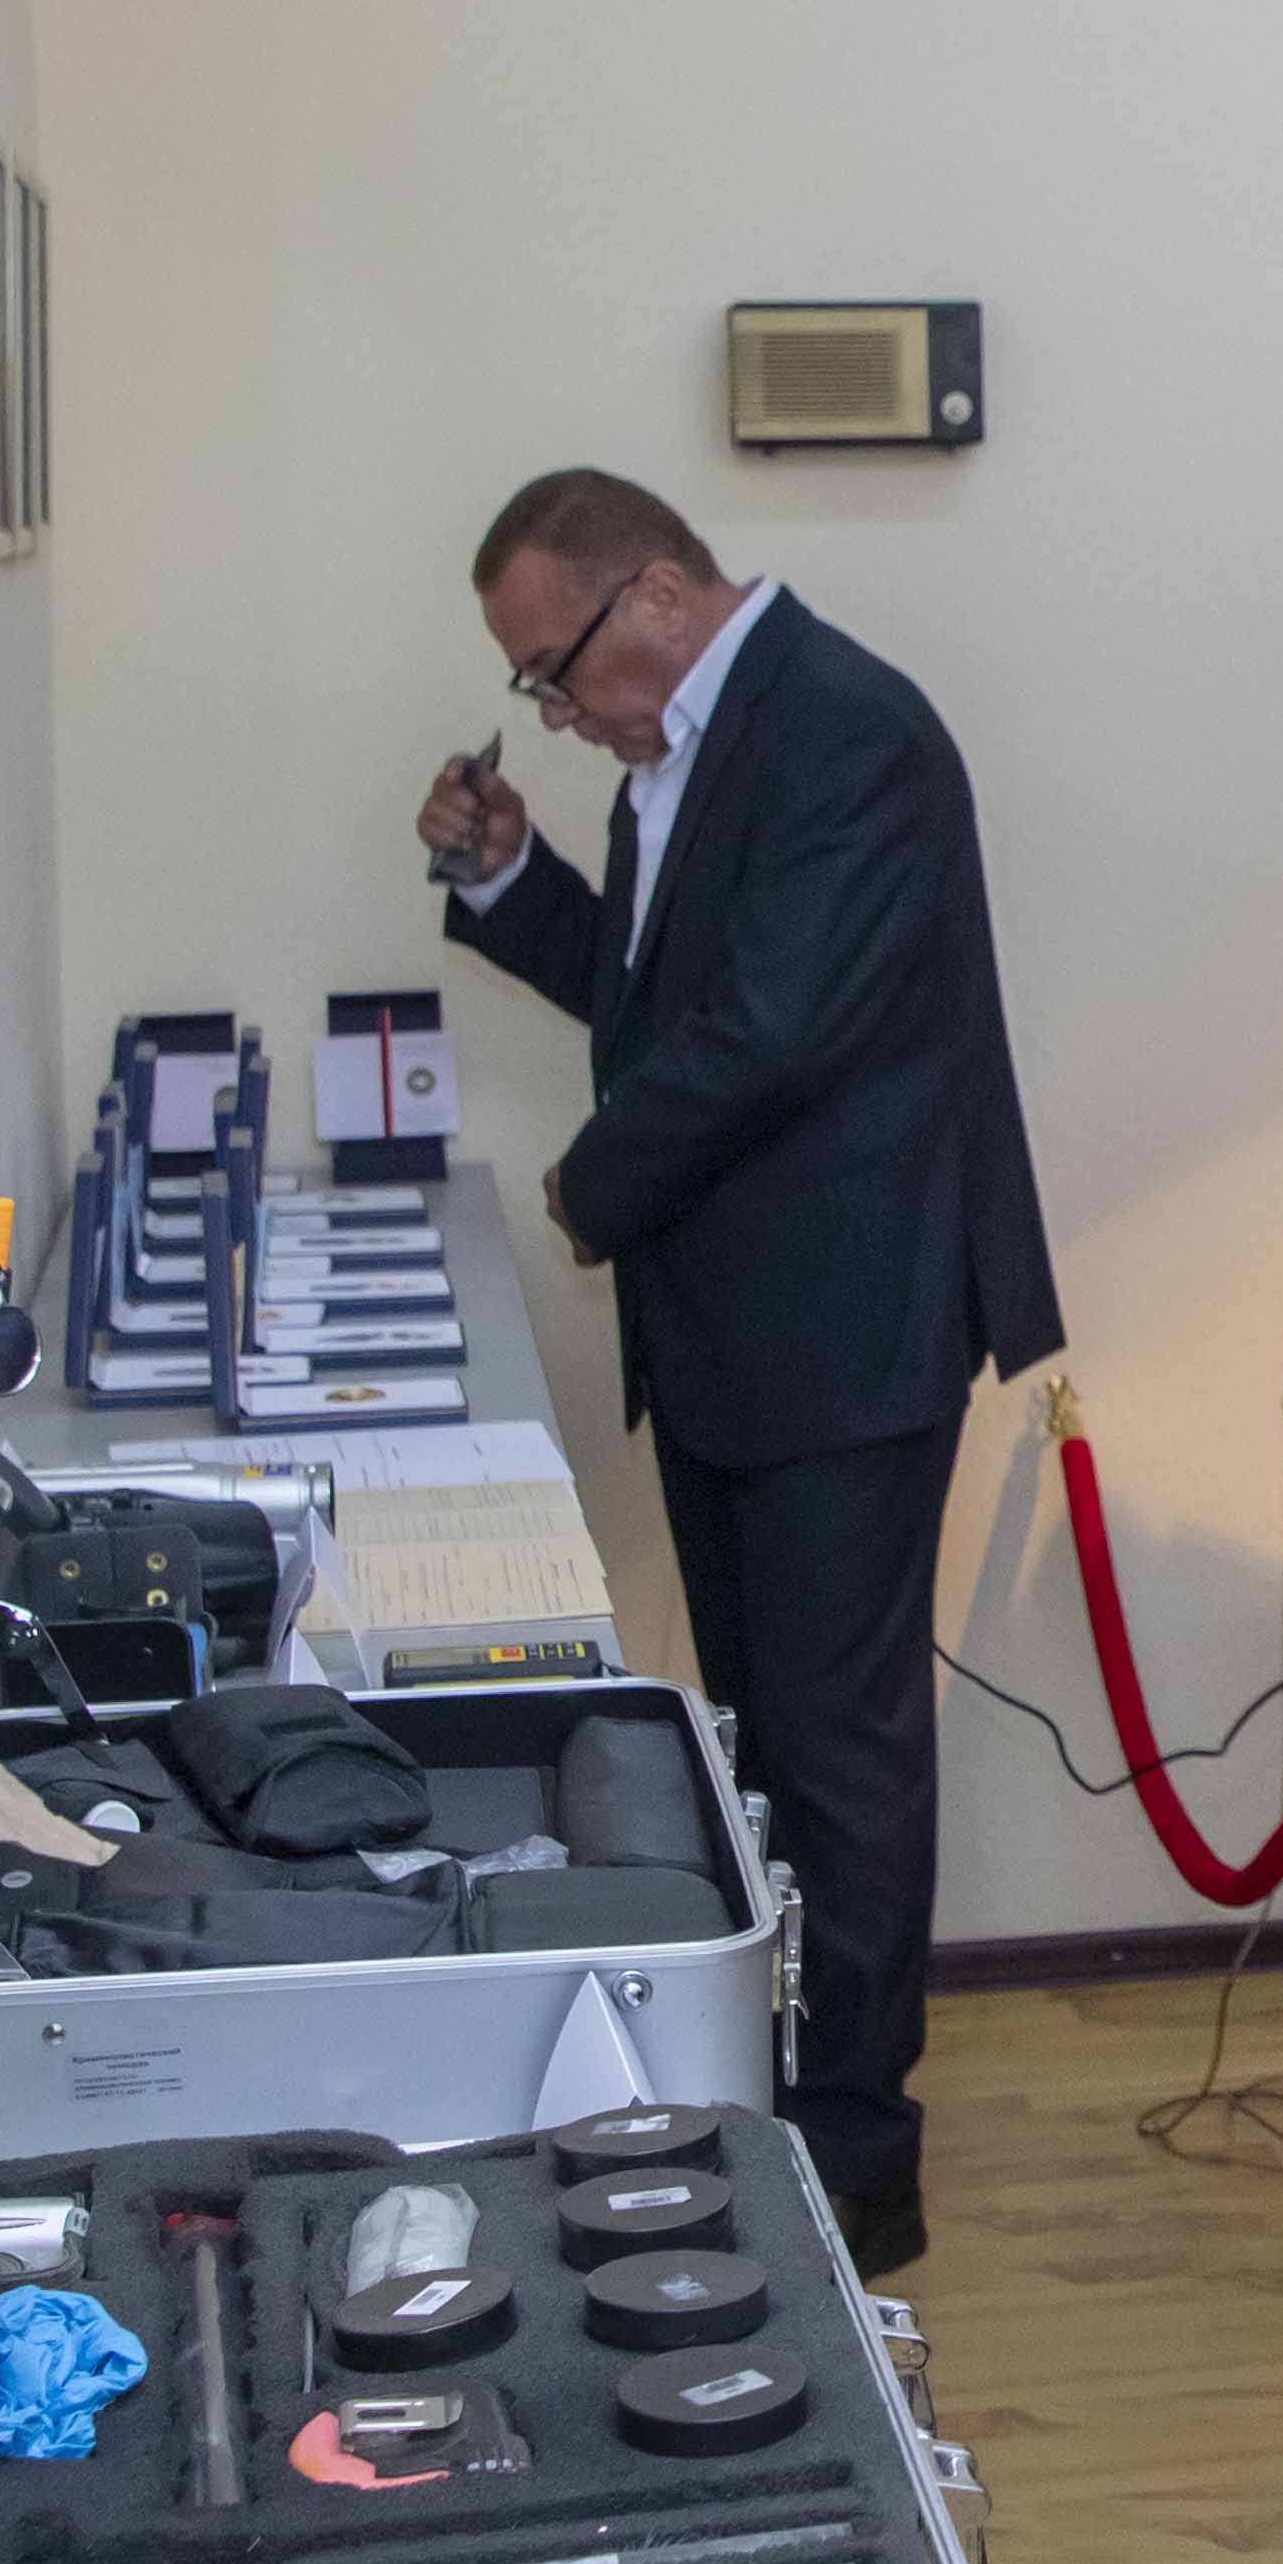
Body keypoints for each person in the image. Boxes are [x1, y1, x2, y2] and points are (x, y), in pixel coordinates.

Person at [417, 473, 1055, 2275]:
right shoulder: (690, 744)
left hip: (845, 1330)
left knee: (839, 1757)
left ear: (654, 595)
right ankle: (773, 2102)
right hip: (737, 1331)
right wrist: (505, 877)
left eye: (553, 670)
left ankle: (857, 2168)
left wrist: (590, 1186)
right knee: (764, 1738)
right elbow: (663, 1010)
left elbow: (775, 1033)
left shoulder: (848, 730)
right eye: (533, 690)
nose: (554, 714)